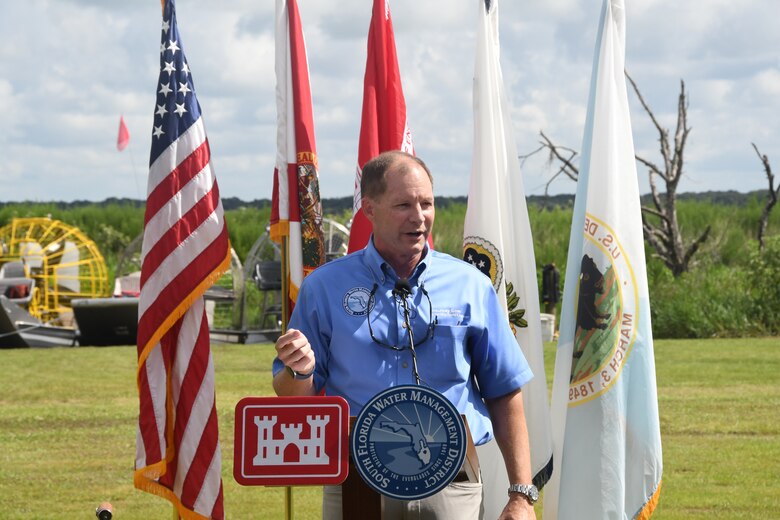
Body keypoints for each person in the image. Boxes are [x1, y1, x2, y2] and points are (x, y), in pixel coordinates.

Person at [273, 150, 537, 520]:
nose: (419, 216)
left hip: (452, 478)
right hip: (356, 477)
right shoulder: (324, 288)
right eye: (403, 205)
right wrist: (299, 370)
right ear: (369, 209)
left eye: (426, 203)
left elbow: (504, 390)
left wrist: (521, 495)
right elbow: (291, 395)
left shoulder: (471, 286)